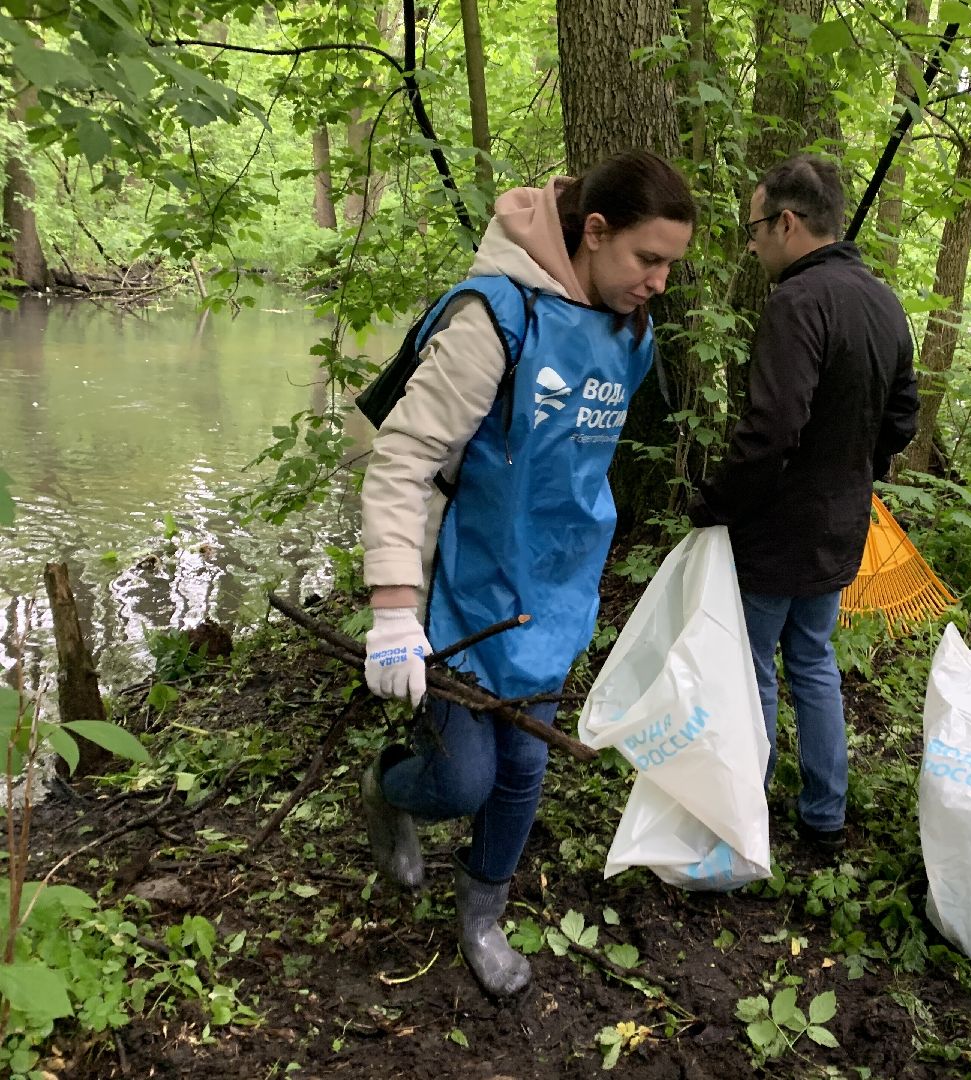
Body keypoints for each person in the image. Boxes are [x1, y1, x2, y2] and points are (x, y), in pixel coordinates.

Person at [358, 151, 696, 997]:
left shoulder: (630, 331)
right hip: (461, 592)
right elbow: (402, 459)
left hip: (552, 592)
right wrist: (394, 609)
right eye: (644, 259)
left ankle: (481, 912)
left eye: (668, 266)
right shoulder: (493, 317)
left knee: (521, 774)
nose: (657, 282)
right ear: (593, 231)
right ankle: (389, 791)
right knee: (461, 778)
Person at [687, 155, 918, 852]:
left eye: (755, 228)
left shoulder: (795, 300)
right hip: (839, 521)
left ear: (787, 222)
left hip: (776, 527)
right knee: (812, 661)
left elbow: (770, 430)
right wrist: (854, 471)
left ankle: (742, 818)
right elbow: (902, 418)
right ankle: (823, 817)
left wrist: (716, 504)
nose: (751, 242)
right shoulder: (880, 300)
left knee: (753, 664)